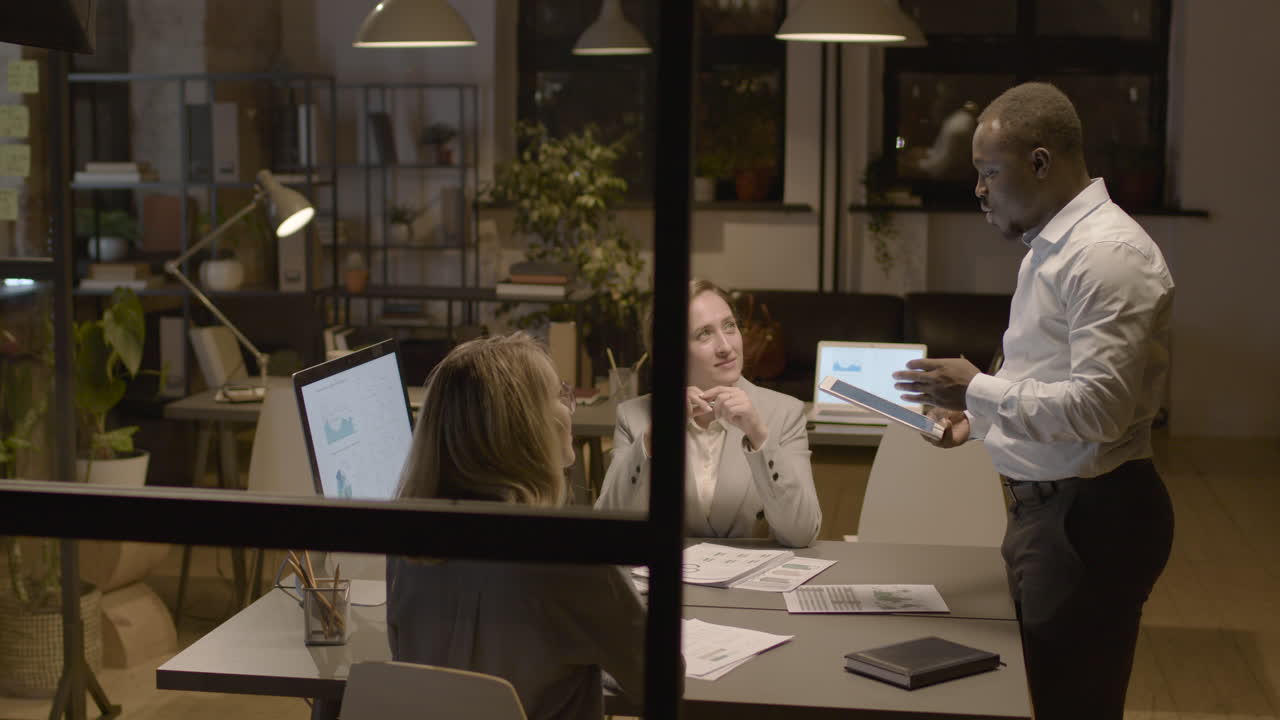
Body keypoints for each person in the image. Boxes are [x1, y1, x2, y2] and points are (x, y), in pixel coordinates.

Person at [891, 82, 1175, 720]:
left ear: (1041, 163)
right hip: (1050, 513)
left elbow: (1100, 411)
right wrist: (976, 419)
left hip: (1089, 519)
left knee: (1068, 705)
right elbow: (1047, 376)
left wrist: (975, 387)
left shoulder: (1107, 257)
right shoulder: (1054, 248)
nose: (980, 189)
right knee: (1034, 698)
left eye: (990, 171)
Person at [386, 332, 648, 720]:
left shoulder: (407, 541)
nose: (568, 408)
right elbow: (660, 678)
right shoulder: (572, 555)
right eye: (558, 396)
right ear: (525, 430)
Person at [595, 279, 821, 547]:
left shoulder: (784, 413)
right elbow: (609, 526)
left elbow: (802, 533)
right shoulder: (634, 416)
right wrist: (651, 440)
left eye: (729, 326)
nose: (726, 346)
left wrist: (760, 436)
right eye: (704, 334)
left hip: (750, 584)